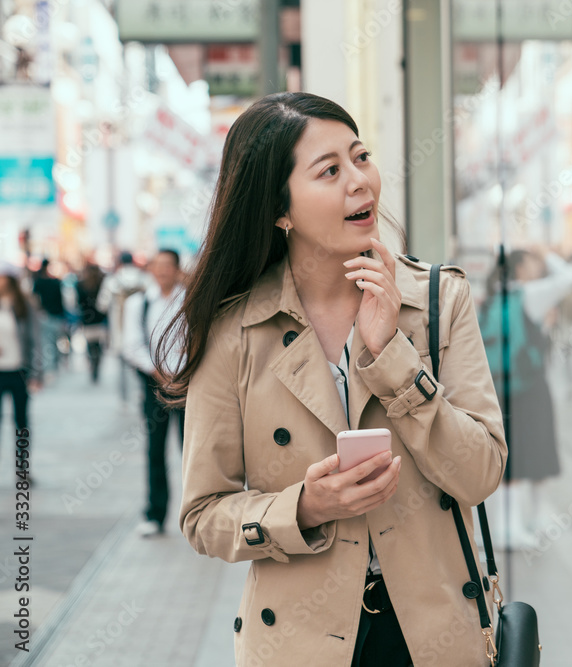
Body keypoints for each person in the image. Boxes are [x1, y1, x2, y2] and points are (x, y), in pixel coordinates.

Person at [170, 92, 507, 667]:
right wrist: (305, 506)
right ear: (280, 210)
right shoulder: (234, 328)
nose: (361, 182)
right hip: (299, 642)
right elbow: (204, 516)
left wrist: (392, 356)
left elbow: (480, 474)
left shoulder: (435, 300)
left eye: (361, 156)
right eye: (330, 170)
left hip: (433, 636)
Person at [479, 248, 572, 548]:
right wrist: (549, 254)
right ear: (520, 267)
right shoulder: (530, 294)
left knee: (508, 455)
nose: (538, 267)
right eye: (532, 262)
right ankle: (513, 527)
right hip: (529, 387)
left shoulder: (492, 298)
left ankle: (511, 524)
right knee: (533, 452)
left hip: (497, 387)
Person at [121, 249, 186, 538]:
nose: (162, 271)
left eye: (167, 266)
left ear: (176, 269)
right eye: (157, 266)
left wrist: (182, 374)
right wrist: (159, 373)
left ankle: (196, 515)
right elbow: (131, 345)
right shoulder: (139, 303)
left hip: (188, 384)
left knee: (193, 451)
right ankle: (155, 514)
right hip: (154, 385)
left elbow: (201, 338)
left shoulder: (190, 299)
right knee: (155, 450)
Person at [0, 268, 41, 472]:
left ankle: (23, 468)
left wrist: (37, 372)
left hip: (19, 371)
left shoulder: (23, 305)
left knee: (22, 422)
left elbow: (35, 339)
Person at [97, 251, 149, 401]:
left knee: (122, 368)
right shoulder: (144, 278)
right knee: (142, 363)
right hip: (142, 330)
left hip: (119, 330)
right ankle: (141, 394)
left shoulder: (112, 280)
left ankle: (124, 399)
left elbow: (102, 305)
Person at [31, 258, 66, 377]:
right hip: (54, 315)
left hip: (45, 315)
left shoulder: (39, 282)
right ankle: (53, 365)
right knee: (55, 342)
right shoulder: (55, 282)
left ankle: (50, 367)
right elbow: (61, 301)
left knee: (48, 342)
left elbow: (35, 299)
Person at [75, 263, 107, 383]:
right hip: (100, 321)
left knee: (90, 346)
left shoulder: (80, 285)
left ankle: (93, 363)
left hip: (87, 320)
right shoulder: (101, 283)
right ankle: (96, 364)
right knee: (99, 347)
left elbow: (78, 303)